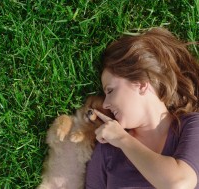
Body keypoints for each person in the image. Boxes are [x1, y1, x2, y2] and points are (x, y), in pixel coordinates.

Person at [85, 27, 199, 189]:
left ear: (141, 83)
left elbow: (178, 183)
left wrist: (122, 139)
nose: (105, 104)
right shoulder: (107, 150)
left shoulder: (192, 126)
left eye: (110, 90)